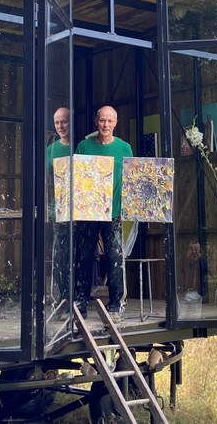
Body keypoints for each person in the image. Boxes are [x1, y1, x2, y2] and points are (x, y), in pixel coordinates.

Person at [74, 105, 133, 322]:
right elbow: (77, 179)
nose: (105, 125)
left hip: (114, 212)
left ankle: (116, 304)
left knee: (115, 256)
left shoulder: (125, 148)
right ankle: (80, 301)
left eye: (109, 121)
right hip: (88, 211)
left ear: (115, 123)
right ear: (96, 121)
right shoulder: (83, 146)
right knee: (84, 255)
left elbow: (130, 180)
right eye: (102, 121)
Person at [47, 107, 72, 317]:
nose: (61, 126)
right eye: (57, 123)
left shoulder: (80, 148)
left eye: (64, 121)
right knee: (59, 259)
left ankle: (76, 303)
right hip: (59, 212)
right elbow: (46, 182)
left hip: (81, 213)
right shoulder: (51, 150)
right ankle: (60, 302)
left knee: (78, 259)